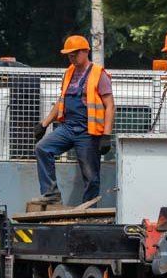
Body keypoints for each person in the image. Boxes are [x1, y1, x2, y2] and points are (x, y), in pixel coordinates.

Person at [33, 35, 115, 204]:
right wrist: (45, 123)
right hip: (68, 128)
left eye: (75, 54)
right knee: (42, 148)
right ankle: (51, 195)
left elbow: (110, 106)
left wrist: (106, 136)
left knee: (91, 176)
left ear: (86, 51)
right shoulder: (69, 73)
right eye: (69, 55)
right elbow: (61, 100)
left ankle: (88, 209)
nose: (71, 57)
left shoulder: (99, 75)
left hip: (88, 131)